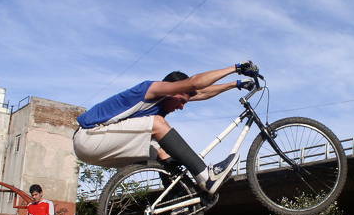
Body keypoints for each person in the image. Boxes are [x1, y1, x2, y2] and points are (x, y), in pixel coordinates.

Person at [73, 62, 258, 195]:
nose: (181, 107)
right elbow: (195, 83)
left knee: (165, 155)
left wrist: (236, 84)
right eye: (181, 101)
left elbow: (201, 93)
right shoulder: (151, 89)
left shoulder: (168, 99)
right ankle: (206, 176)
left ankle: (177, 204)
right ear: (173, 90)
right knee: (157, 123)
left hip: (100, 145)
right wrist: (237, 69)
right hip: (89, 137)